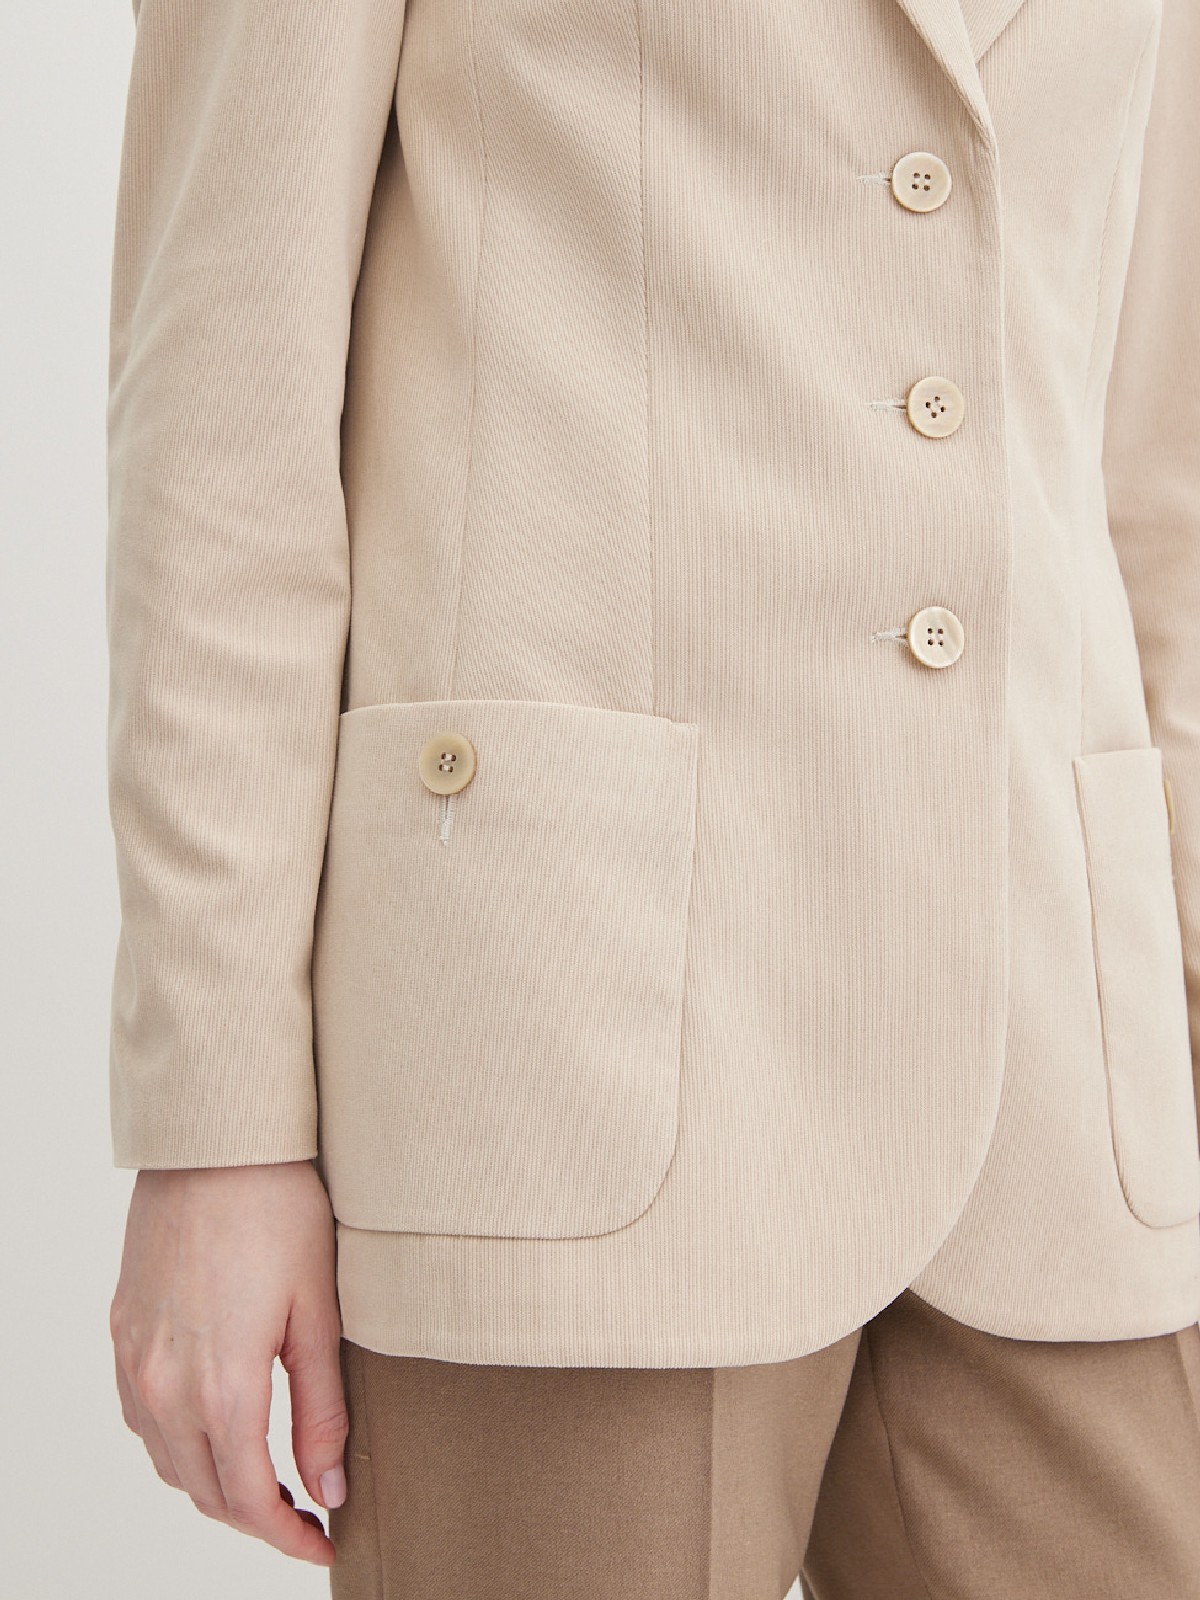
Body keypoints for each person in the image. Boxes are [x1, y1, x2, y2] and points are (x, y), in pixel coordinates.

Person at [104, 0, 1200, 1594]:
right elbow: (225, 423)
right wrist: (216, 1121)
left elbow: (1160, 460)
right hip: (573, 1046)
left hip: (1065, 1066)